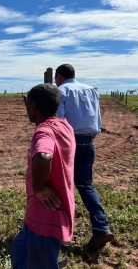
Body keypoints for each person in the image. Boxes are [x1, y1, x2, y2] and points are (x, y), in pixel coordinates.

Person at [11, 84, 76, 269]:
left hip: (46, 217)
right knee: (19, 250)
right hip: (42, 213)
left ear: (34, 107)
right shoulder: (65, 126)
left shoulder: (44, 132)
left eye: (28, 105)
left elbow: (43, 155)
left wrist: (39, 188)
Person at [55, 64, 114, 250]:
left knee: (60, 185)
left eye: (56, 78)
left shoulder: (61, 91)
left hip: (69, 142)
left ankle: (56, 230)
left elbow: (59, 120)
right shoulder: (91, 91)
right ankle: (101, 227)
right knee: (86, 185)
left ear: (59, 76)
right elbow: (97, 119)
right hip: (89, 142)